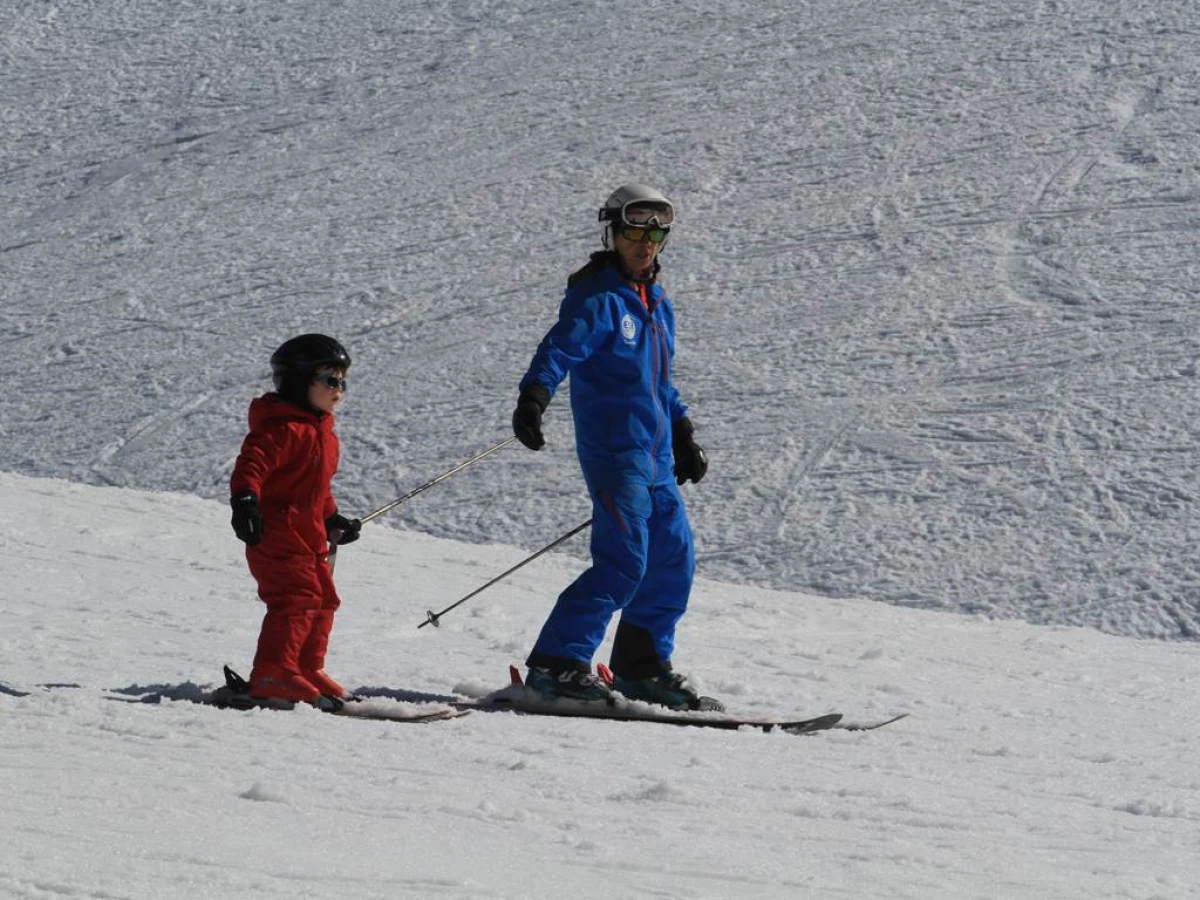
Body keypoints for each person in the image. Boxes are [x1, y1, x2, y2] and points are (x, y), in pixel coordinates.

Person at [511, 184, 717, 711]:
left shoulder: (656, 303)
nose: (645, 242)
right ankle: (557, 663)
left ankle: (642, 666)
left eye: (656, 231)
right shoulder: (598, 298)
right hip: (616, 455)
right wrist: (535, 395)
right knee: (623, 562)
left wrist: (683, 433)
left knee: (674, 560)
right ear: (613, 232)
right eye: (634, 230)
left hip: (655, 460)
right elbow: (560, 348)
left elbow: (658, 383)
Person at [229, 334, 363, 709]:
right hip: (275, 534)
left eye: (343, 382)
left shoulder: (324, 435)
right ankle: (273, 673)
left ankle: (305, 667)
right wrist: (245, 503)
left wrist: (333, 517)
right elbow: (250, 468)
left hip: (308, 538)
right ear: (299, 382)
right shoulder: (281, 428)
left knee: (324, 599)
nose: (339, 390)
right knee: (296, 600)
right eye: (330, 381)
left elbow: (315, 488)